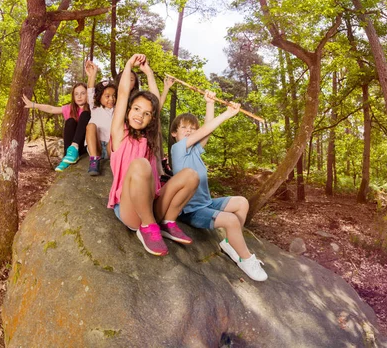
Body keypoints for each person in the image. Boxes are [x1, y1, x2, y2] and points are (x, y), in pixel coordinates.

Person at [169, 90, 268, 281]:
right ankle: (245, 259)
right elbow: (205, 131)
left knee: (241, 202)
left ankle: (231, 243)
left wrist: (210, 103)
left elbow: (207, 130)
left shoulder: (196, 151)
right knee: (230, 220)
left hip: (206, 203)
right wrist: (227, 114)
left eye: (192, 128)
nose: (189, 131)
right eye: (184, 128)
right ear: (174, 133)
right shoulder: (177, 149)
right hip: (191, 211)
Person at [108, 54, 199, 256]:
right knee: (140, 164)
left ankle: (167, 222)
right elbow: (122, 94)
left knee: (191, 175)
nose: (140, 114)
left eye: (146, 113)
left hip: (153, 204)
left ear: (152, 119)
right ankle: (147, 227)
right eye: (137, 109)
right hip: (130, 209)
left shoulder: (150, 139)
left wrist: (148, 71)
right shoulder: (119, 133)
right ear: (129, 110)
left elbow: (156, 102)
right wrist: (129, 64)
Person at [22, 83, 90, 172]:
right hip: (71, 152)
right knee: (70, 121)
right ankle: (68, 156)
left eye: (83, 93)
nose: (79, 96)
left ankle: (74, 147)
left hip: (84, 146)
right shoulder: (70, 108)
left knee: (85, 114)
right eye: (76, 94)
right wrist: (34, 105)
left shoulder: (92, 108)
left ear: (88, 94)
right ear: (73, 96)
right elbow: (51, 109)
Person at [84, 60, 116, 176]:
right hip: (95, 146)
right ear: (99, 97)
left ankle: (116, 162)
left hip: (110, 147)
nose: (111, 99)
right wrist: (93, 74)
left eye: (114, 96)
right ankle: (94, 160)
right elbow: (90, 91)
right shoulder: (95, 108)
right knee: (91, 126)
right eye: (107, 96)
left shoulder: (117, 110)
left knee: (116, 133)